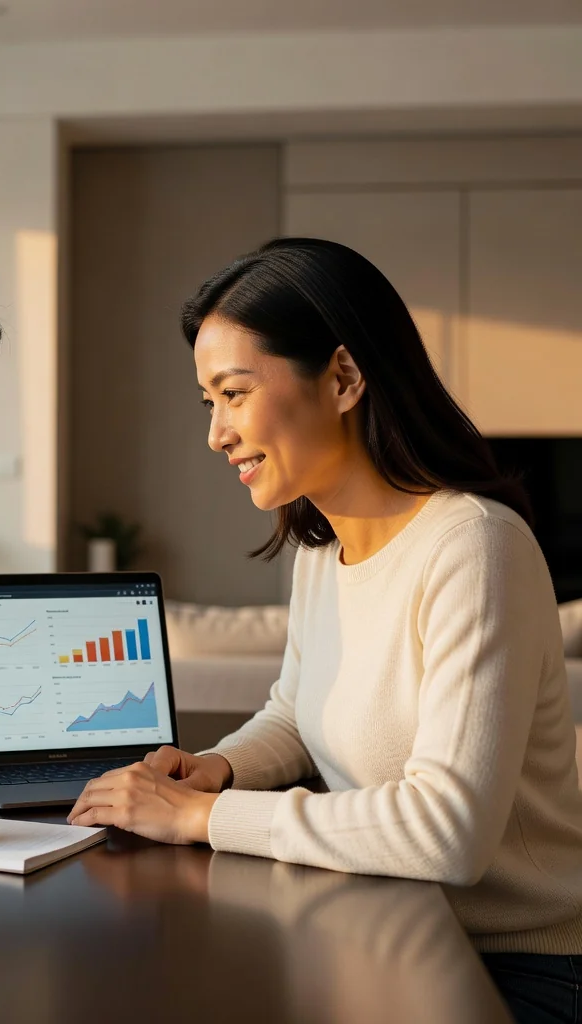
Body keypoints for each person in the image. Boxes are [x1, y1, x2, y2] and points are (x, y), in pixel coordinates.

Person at [68, 238, 582, 1023]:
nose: (216, 433)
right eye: (209, 402)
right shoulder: (322, 553)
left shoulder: (475, 546)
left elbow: (448, 832)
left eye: (234, 393)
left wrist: (202, 818)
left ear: (343, 378)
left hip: (519, 965)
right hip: (394, 927)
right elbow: (295, 712)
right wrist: (216, 770)